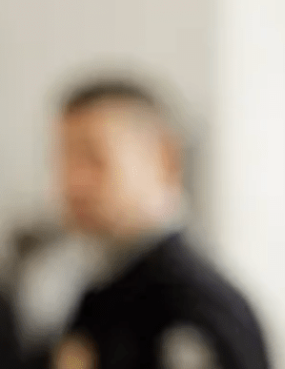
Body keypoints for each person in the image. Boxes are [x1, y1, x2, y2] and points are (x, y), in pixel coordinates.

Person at [53, 78, 269, 369]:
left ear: (165, 159)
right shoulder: (102, 291)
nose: (73, 183)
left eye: (94, 159)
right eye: (64, 159)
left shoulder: (195, 307)